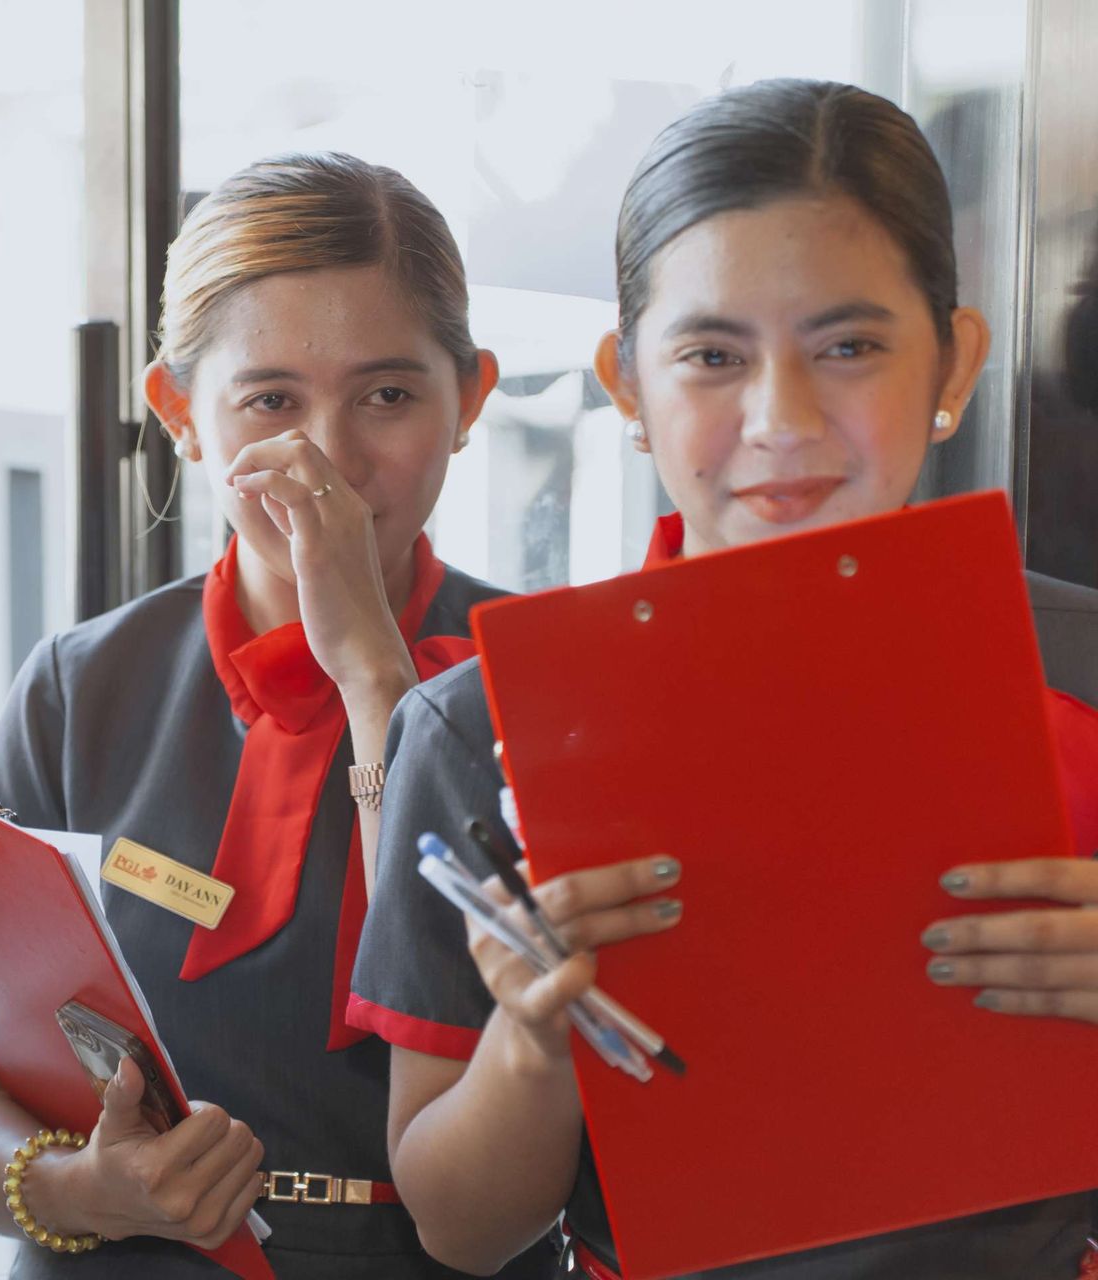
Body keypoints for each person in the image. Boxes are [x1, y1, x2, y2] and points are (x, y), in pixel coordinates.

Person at [356, 78, 1098, 1278]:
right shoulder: (480, 724)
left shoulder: (1083, 670)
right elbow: (457, 1224)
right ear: (629, 386)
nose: (781, 417)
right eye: (711, 353)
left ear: (953, 361)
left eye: (848, 346)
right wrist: (533, 1045)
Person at [0, 151, 549, 1278]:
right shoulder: (82, 686)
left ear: (472, 401)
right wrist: (83, 1187)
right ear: (181, 414)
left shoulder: (548, 684)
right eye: (271, 400)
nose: (332, 459)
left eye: (389, 395)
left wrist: (370, 676)